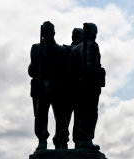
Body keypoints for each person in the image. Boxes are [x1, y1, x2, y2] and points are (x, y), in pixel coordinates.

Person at [28, 21, 69, 151]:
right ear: (53, 33)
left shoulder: (36, 48)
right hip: (58, 87)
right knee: (60, 116)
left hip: (44, 87)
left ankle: (42, 141)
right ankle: (61, 142)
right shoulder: (62, 50)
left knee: (42, 114)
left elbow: (31, 71)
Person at [71, 23, 105, 150]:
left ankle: (79, 139)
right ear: (92, 33)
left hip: (77, 86)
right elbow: (91, 67)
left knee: (78, 113)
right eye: (95, 33)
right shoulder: (93, 46)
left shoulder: (75, 49)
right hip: (90, 86)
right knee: (90, 112)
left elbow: (71, 70)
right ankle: (86, 139)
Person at [63, 28, 84, 146]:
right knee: (75, 117)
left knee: (66, 118)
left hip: (68, 89)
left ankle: (62, 142)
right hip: (74, 89)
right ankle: (75, 141)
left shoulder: (64, 51)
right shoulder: (69, 51)